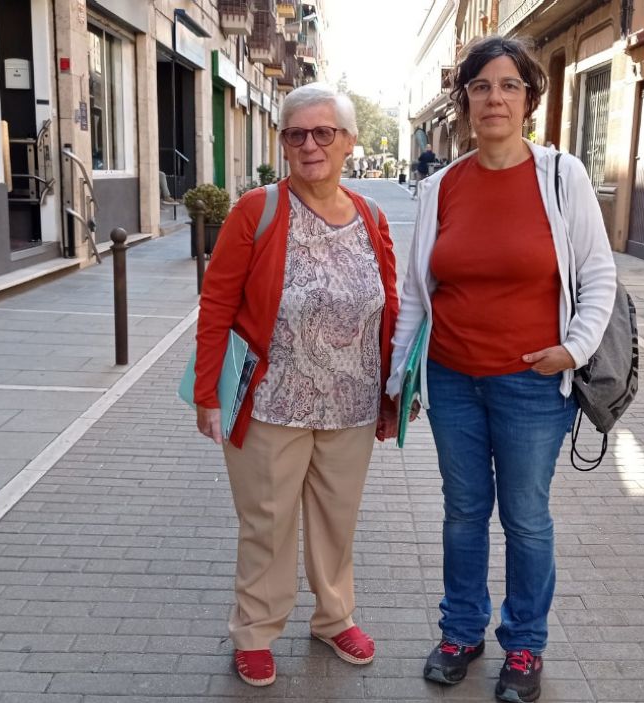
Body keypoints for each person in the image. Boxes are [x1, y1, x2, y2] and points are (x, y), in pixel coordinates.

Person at [387, 36, 618, 703]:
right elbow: (416, 289)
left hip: (533, 382)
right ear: (463, 102)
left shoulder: (560, 175)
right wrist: (402, 375)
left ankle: (525, 645)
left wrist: (572, 349)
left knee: (525, 515)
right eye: (481, 87)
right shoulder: (439, 187)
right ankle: (461, 631)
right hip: (453, 376)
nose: (494, 98)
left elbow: (598, 272)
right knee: (463, 511)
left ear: (529, 100)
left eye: (508, 86)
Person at [193, 82, 400, 688]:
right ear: (283, 143)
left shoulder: (372, 218)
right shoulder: (256, 211)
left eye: (323, 133)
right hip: (270, 402)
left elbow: (390, 304)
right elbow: (217, 304)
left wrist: (392, 390)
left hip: (352, 402)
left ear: (348, 142)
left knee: (338, 519)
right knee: (268, 520)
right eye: (296, 134)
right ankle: (256, 629)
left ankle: (334, 617)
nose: (309, 145)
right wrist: (208, 394)